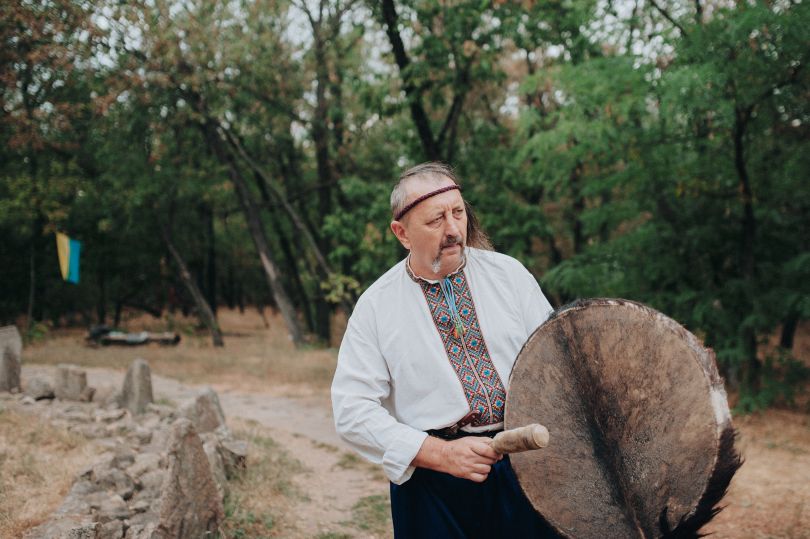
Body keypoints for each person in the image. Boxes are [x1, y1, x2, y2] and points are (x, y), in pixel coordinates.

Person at [331, 163, 558, 538]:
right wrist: (441, 454)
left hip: (527, 469)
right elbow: (352, 411)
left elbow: (556, 367)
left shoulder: (509, 275)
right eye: (436, 220)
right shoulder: (376, 306)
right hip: (432, 486)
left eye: (458, 213)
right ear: (401, 233)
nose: (453, 230)